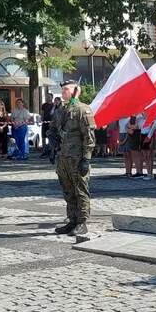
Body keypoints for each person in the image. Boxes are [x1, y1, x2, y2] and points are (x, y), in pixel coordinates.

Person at [53, 79, 95, 236]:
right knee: (68, 190)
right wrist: (52, 140)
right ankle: (72, 219)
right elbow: (53, 129)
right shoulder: (60, 110)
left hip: (77, 158)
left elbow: (89, 137)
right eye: (62, 89)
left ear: (75, 91)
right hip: (63, 157)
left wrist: (86, 158)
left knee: (81, 190)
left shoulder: (82, 110)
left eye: (66, 89)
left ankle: (82, 222)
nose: (63, 92)